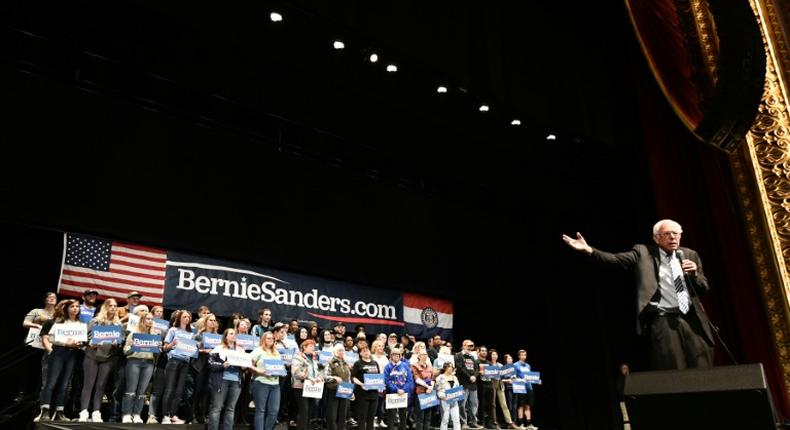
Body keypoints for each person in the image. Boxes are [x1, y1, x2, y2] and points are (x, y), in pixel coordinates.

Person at [562, 219, 715, 369]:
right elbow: (614, 260)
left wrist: (695, 275)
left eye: (676, 233)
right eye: (667, 233)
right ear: (656, 238)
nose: (673, 237)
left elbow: (703, 288)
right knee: (675, 369)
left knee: (702, 367)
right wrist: (589, 249)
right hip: (664, 321)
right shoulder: (643, 252)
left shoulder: (690, 254)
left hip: (692, 320)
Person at [121, 311, 157, 423]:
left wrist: (158, 348)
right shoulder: (133, 333)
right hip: (134, 362)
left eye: (152, 319)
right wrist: (132, 346)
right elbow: (125, 351)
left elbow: (156, 354)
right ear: (142, 320)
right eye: (148, 319)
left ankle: (137, 414)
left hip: (148, 364)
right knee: (131, 390)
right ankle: (126, 414)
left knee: (142, 392)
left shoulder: (154, 336)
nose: (151, 321)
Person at [250, 331, 283, 430]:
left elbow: (279, 366)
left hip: (275, 384)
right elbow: (248, 363)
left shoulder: (276, 352)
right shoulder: (258, 350)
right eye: (268, 338)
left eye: (272, 338)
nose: (271, 340)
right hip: (261, 383)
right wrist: (258, 370)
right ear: (263, 339)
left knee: (274, 411)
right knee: (260, 410)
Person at [351, 343, 380, 430]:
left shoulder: (375, 363)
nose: (366, 352)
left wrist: (381, 385)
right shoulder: (358, 363)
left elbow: (378, 377)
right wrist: (361, 384)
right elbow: (353, 377)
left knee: (371, 418)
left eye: (367, 350)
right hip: (362, 394)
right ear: (360, 353)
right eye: (364, 351)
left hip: (374, 394)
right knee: (362, 418)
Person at [435, 362, 461, 430]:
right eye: (450, 367)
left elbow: (457, 388)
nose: (451, 368)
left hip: (454, 400)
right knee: (445, 419)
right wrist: (443, 396)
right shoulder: (440, 378)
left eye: (452, 367)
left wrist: (460, 393)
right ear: (446, 368)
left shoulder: (455, 377)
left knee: (456, 419)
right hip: (445, 400)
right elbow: (438, 390)